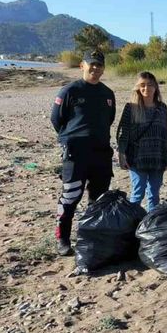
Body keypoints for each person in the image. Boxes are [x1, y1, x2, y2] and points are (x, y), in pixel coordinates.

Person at [50, 50, 116, 256]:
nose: (95, 68)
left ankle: (89, 237)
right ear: (82, 66)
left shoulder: (108, 94)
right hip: (76, 154)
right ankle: (63, 239)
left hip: (101, 153)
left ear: (103, 68)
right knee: (70, 196)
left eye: (99, 65)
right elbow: (56, 120)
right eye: (92, 64)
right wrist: (71, 139)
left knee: (97, 200)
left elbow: (110, 120)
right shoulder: (70, 91)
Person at [115, 71, 167, 212]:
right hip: (137, 157)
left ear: (156, 87)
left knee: (154, 195)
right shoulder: (131, 107)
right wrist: (121, 155)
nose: (147, 88)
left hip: (157, 156)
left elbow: (165, 133)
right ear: (138, 88)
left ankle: (149, 226)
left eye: (150, 85)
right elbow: (123, 133)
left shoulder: (162, 107)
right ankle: (132, 224)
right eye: (143, 85)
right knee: (137, 193)